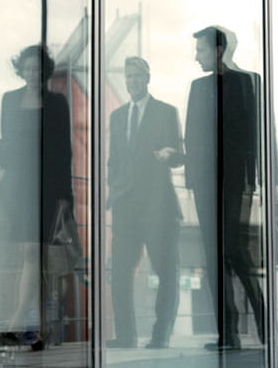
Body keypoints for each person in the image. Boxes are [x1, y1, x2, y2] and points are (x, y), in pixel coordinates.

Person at [177, 25, 266, 351]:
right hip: (204, 181)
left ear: (217, 50)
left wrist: (252, 179)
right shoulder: (197, 87)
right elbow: (193, 135)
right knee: (214, 256)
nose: (196, 56)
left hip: (234, 180)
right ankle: (227, 334)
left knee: (234, 250)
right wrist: (189, 175)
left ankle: (263, 318)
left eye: (200, 49)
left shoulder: (245, 82)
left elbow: (251, 135)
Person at [0, 45, 73, 349]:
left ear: (45, 72)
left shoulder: (58, 102)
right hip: (17, 186)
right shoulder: (9, 99)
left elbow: (64, 150)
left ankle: (17, 319)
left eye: (36, 69)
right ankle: (41, 330)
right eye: (27, 69)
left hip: (48, 187)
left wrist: (66, 196)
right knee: (34, 260)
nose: (31, 74)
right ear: (21, 70)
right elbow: (6, 141)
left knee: (32, 253)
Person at [106, 56, 183, 349]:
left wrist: (170, 153)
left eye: (137, 76)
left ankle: (160, 336)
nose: (132, 82)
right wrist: (114, 188)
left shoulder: (166, 112)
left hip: (157, 205)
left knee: (165, 272)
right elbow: (115, 159)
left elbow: (178, 153)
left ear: (147, 78)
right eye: (128, 76)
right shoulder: (117, 116)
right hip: (126, 205)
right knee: (121, 272)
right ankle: (125, 336)